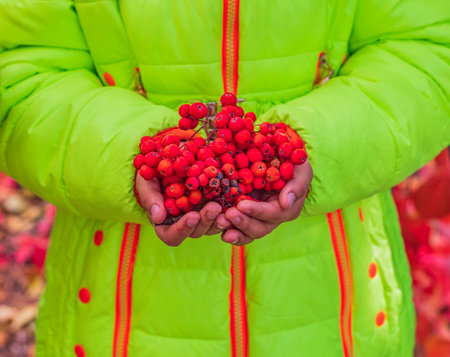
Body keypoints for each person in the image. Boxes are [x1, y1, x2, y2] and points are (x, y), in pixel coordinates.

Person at [0, 1, 448, 356]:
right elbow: (21, 68)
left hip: (332, 311)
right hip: (114, 319)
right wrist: (131, 152)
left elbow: (427, 47)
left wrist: (322, 144)